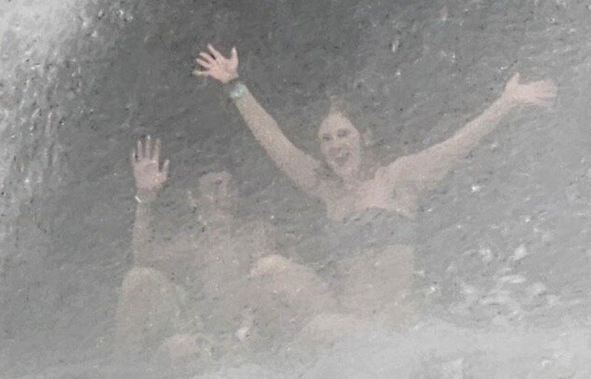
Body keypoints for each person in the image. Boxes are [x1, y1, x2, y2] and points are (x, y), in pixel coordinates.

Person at [193, 44, 557, 328]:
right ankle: (235, 345)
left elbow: (455, 146)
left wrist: (506, 103)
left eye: (342, 134)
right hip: (343, 313)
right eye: (326, 140)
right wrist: (235, 86)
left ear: (364, 137)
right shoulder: (327, 189)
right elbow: (275, 142)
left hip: (391, 321)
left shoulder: (398, 178)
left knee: (321, 330)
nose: (335, 145)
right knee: (269, 268)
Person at [115, 136, 331, 361]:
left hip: (264, 334)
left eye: (230, 187)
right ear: (194, 198)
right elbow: (143, 259)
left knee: (272, 270)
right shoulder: (193, 243)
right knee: (139, 280)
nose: (223, 195)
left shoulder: (259, 231)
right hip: (212, 341)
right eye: (214, 188)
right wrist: (146, 200)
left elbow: (296, 279)